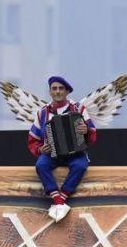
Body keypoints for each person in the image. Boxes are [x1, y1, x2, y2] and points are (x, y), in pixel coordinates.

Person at [27, 76, 97, 222]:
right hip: (52, 154)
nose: (57, 91)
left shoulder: (79, 109)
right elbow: (33, 139)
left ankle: (61, 199)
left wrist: (86, 131)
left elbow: (92, 133)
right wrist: (40, 150)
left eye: (61, 89)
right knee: (41, 165)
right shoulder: (42, 113)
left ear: (67, 92)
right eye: (54, 89)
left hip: (75, 153)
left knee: (80, 165)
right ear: (50, 92)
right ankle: (59, 202)